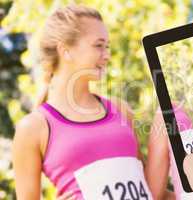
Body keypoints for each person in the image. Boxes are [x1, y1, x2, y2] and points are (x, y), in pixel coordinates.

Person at [12, 5, 152, 200]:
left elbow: (148, 185)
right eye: (98, 45)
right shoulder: (34, 128)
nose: (107, 55)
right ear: (65, 50)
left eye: (108, 46)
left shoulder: (120, 110)